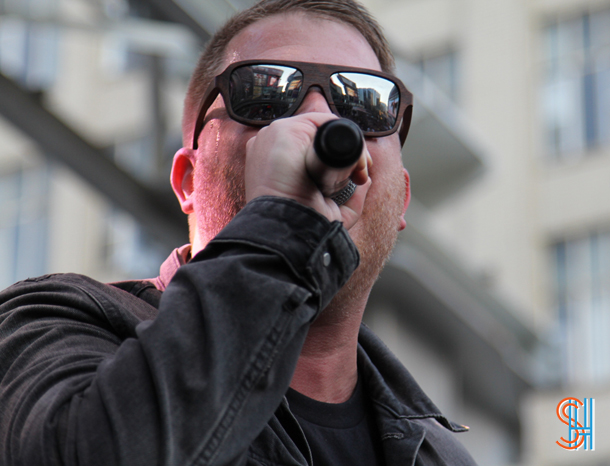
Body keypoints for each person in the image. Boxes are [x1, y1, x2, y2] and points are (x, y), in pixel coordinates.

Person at [0, 1, 477, 465]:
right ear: (189, 181)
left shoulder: (442, 454)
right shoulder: (56, 322)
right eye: (266, 96)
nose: (319, 121)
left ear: (402, 198)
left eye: (362, 101)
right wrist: (285, 223)